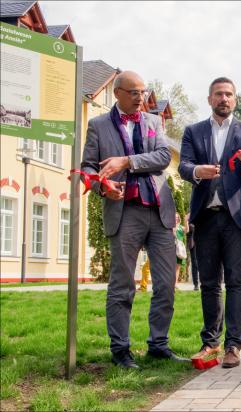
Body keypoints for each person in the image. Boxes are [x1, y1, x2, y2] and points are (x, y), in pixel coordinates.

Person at [81, 71, 186, 368]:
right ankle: (120, 350)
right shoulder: (98, 126)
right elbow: (88, 168)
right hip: (124, 213)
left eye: (143, 92)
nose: (141, 98)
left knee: (166, 283)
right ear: (118, 93)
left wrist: (127, 162)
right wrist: (103, 185)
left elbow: (164, 157)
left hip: (159, 211)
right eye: (134, 92)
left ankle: (158, 344)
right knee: (123, 285)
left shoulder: (154, 122)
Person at [179, 77, 241, 368]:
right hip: (205, 216)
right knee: (209, 282)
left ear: (235, 100)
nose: (223, 98)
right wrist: (197, 171)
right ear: (209, 99)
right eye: (218, 94)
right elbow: (183, 166)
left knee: (236, 281)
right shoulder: (194, 131)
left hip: (236, 217)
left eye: (228, 94)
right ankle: (210, 342)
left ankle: (234, 345)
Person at [173, 213, 188, 289]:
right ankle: (171, 283)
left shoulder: (181, 227)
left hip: (179, 249)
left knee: (177, 267)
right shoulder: (171, 227)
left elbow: (186, 230)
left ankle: (175, 284)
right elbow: (173, 234)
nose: (176, 219)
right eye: (174, 217)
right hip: (172, 248)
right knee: (172, 267)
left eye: (177, 217)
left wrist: (186, 221)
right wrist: (174, 230)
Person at [186, 213, 199, 291]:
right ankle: (196, 284)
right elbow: (188, 230)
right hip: (193, 244)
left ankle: (206, 283)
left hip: (202, 243)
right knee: (195, 264)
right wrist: (186, 219)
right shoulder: (189, 218)